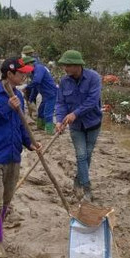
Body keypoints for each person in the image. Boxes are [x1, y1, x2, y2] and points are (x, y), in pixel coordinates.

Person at [0, 57, 41, 258]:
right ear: (10, 73)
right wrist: (7, 107)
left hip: (13, 156)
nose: (24, 76)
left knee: (6, 200)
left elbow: (20, 125)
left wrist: (29, 143)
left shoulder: (19, 96)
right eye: (21, 73)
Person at [55, 50, 102, 202]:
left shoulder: (94, 78)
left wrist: (75, 113)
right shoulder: (64, 82)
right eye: (64, 65)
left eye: (68, 65)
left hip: (93, 123)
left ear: (78, 65)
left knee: (87, 155)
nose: (65, 68)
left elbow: (92, 101)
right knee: (81, 155)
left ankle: (78, 180)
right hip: (75, 126)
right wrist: (59, 120)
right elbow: (61, 102)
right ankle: (87, 189)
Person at [23, 45, 58, 135]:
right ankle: (40, 126)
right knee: (41, 110)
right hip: (45, 94)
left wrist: (27, 87)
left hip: (51, 93)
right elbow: (35, 88)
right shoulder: (32, 73)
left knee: (48, 112)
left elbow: (37, 81)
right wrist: (30, 99)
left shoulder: (39, 68)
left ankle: (50, 130)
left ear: (30, 64)